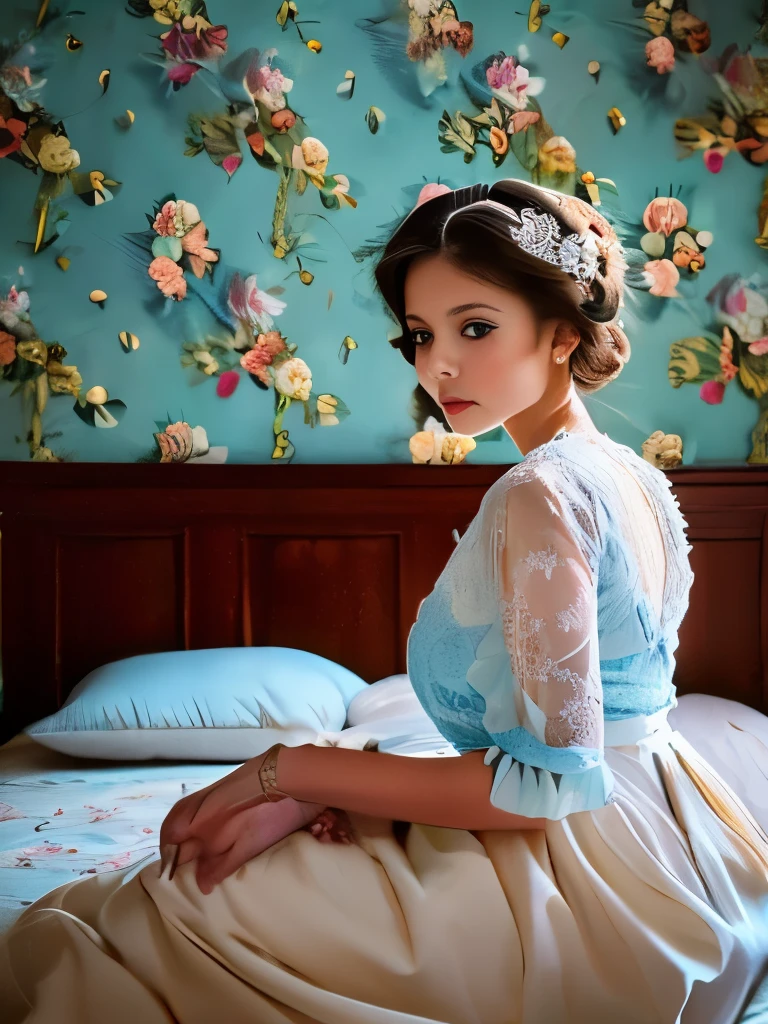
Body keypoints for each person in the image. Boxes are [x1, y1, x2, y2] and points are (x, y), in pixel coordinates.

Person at [2, 179, 768, 1024]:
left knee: (150, 919)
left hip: (585, 879)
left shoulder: (540, 494)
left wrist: (283, 769)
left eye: (475, 327)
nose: (437, 364)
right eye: (419, 335)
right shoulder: (630, 474)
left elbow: (546, 784)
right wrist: (347, 788)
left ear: (560, 331)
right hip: (681, 845)